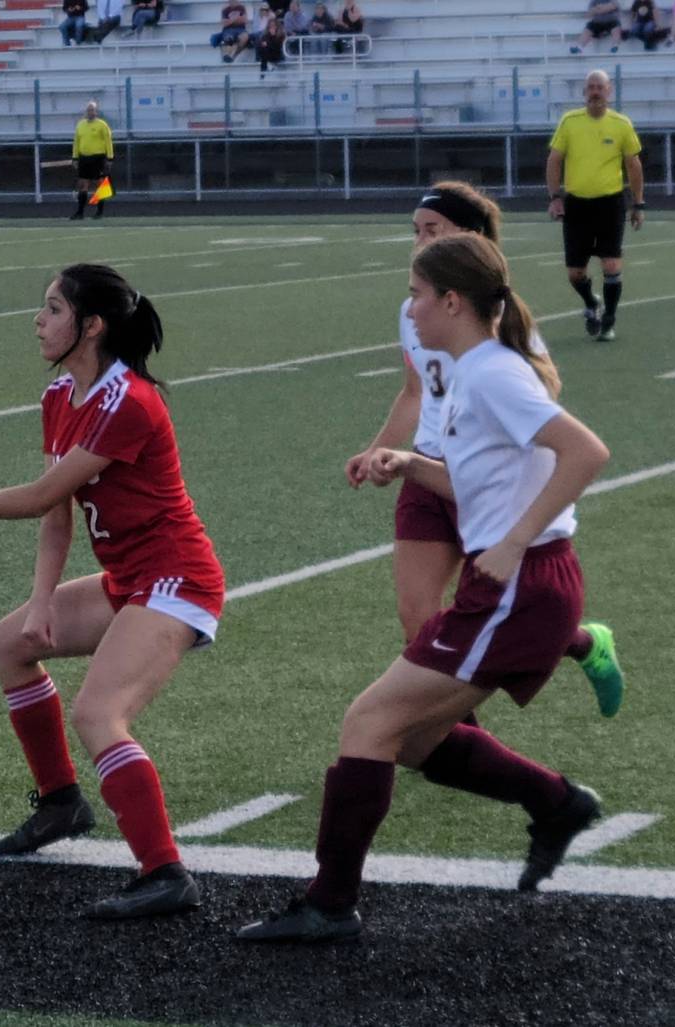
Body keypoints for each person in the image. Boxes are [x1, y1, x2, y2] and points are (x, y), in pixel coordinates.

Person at [238, 233, 611, 945]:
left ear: (451, 300)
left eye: (416, 293)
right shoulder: (470, 370)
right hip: (517, 583)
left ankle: (330, 901)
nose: (408, 308)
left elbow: (586, 451)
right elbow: (485, 479)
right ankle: (556, 802)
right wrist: (411, 463)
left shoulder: (495, 372)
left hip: (521, 583)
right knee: (407, 741)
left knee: (369, 723)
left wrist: (510, 541)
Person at [0, 264, 226, 920]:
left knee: (97, 714)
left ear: (92, 327)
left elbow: (39, 498)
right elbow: (60, 517)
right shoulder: (61, 395)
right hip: (129, 579)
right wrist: (41, 601)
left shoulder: (130, 401)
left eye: (53, 308)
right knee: (8, 644)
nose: (38, 319)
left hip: (177, 579)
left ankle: (164, 869)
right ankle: (61, 802)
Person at [344, 181, 625, 717]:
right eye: (415, 232)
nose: (419, 241)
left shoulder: (497, 324)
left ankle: (586, 644)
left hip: (481, 481)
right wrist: (380, 450)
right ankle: (455, 740)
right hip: (427, 474)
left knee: (495, 609)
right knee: (418, 615)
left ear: (468, 239)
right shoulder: (415, 312)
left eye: (432, 230)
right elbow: (414, 390)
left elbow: (543, 404)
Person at [546, 69, 644, 341]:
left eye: (600, 87)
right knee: (575, 273)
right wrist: (555, 198)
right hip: (577, 205)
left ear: (609, 91)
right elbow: (554, 160)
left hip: (610, 204)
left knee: (611, 265)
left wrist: (638, 204)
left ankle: (609, 321)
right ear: (584, 92)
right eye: (590, 87)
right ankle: (591, 302)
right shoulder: (570, 122)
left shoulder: (621, 124)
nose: (595, 92)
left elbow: (633, 165)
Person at [70, 99, 113, 221]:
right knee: (83, 185)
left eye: (92, 110)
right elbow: (76, 142)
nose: (90, 112)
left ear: (96, 111)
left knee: (100, 185)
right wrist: (75, 157)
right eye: (88, 110)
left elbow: (108, 142)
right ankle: (80, 213)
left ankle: (99, 212)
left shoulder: (102, 125)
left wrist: (110, 158)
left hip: (98, 158)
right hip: (84, 158)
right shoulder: (80, 125)